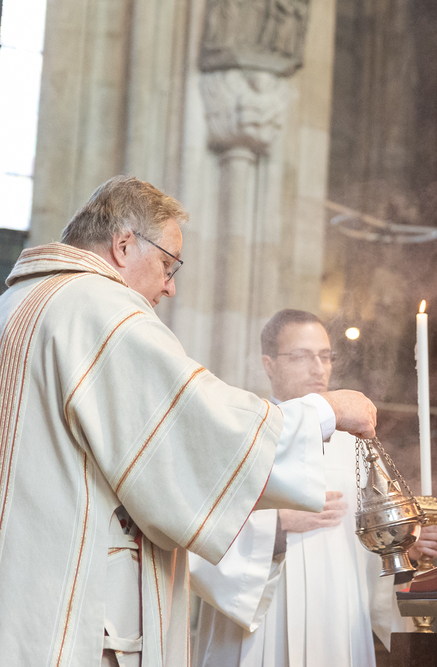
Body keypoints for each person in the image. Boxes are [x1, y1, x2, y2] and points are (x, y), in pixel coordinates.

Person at [0, 176, 377, 667]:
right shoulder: (99, 308)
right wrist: (325, 410)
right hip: (72, 623)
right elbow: (196, 436)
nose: (170, 286)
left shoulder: (18, 305)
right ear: (123, 245)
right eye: (167, 264)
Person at [191, 309, 437, 667]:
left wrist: (403, 548)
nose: (318, 368)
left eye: (325, 356)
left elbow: (368, 548)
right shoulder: (244, 435)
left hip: (337, 621)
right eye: (302, 356)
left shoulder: (356, 444)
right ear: (269, 364)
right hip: (263, 627)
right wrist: (277, 525)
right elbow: (197, 527)